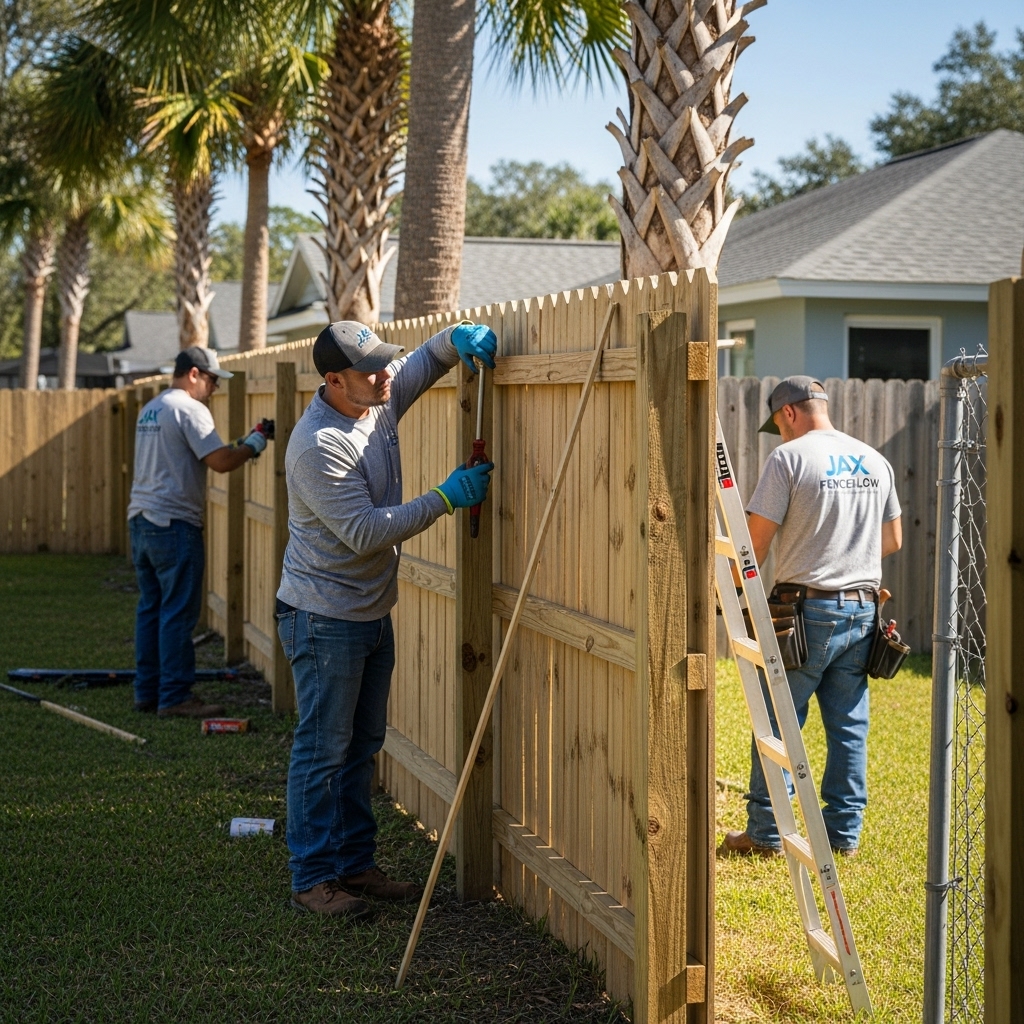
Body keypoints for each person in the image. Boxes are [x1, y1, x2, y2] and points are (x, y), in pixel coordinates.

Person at [276, 318, 496, 919]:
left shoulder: (372, 393)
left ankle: (355, 866)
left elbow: (422, 362)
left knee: (361, 745)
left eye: (383, 363)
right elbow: (364, 533)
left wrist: (457, 340)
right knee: (323, 750)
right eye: (371, 369)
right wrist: (446, 497)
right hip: (323, 618)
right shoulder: (318, 446)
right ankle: (312, 879)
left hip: (369, 611)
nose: (384, 376)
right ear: (333, 381)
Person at [719, 376, 903, 859]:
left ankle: (763, 832)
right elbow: (893, 541)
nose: (780, 433)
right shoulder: (874, 459)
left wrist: (725, 591)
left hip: (805, 613)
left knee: (779, 720)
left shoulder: (790, 458)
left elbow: (752, 544)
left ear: (789, 414)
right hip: (864, 609)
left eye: (778, 424)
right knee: (848, 727)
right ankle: (843, 835)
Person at [128, 346, 270, 718]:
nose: (214, 389)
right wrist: (255, 444)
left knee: (151, 609)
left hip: (141, 521)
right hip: (174, 524)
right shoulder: (189, 409)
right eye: (211, 381)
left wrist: (243, 441)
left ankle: (147, 691)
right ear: (193, 374)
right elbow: (220, 461)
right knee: (177, 612)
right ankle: (174, 697)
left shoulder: (152, 408)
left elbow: (194, 454)